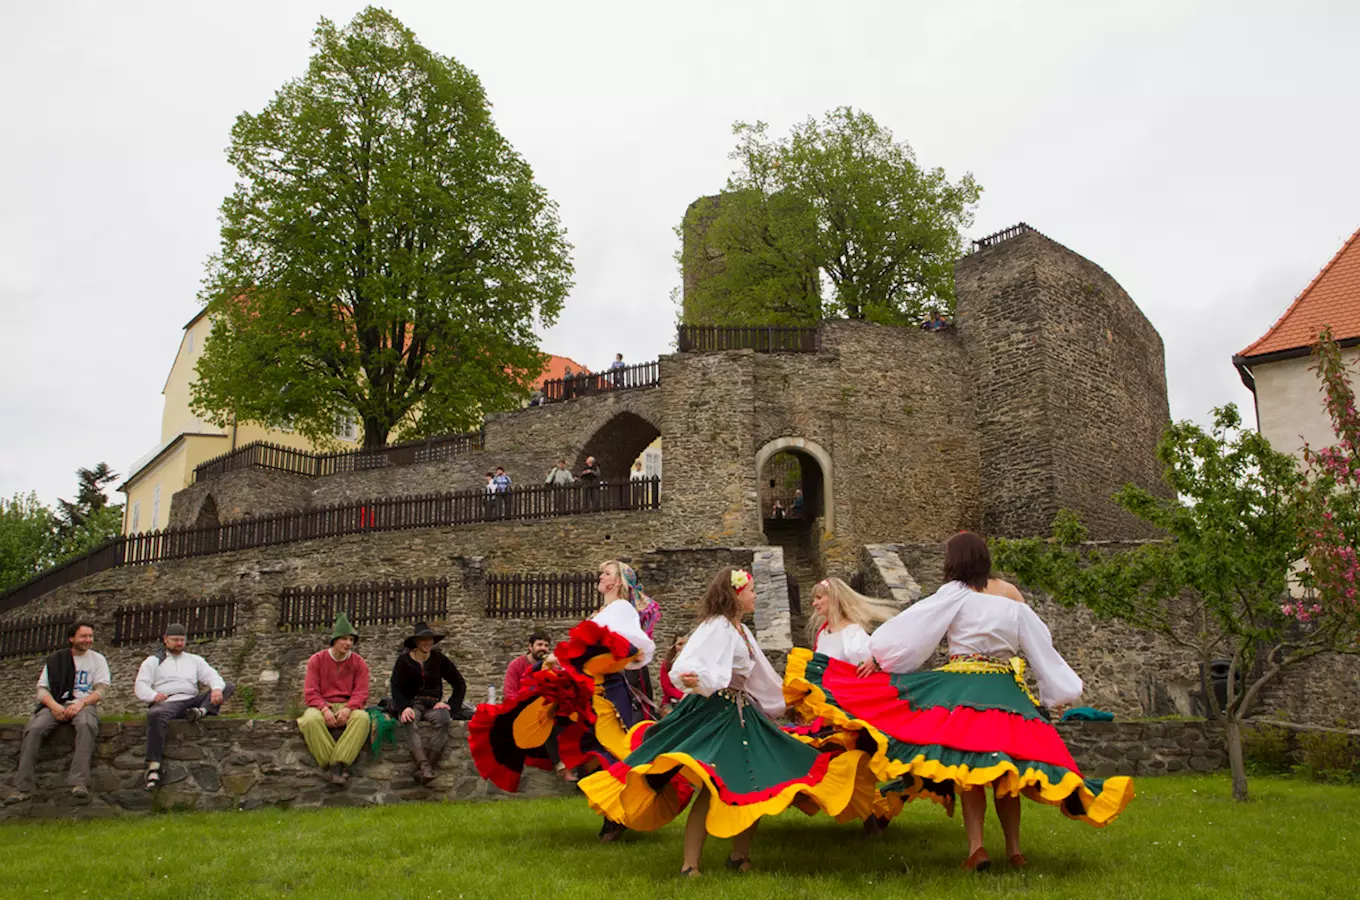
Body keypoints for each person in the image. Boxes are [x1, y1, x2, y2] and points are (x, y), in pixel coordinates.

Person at [787, 532, 1134, 871]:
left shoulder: (954, 595)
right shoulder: (1013, 606)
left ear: (955, 563)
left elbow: (915, 627)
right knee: (1006, 770)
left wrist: (880, 657)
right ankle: (1014, 851)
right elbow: (1042, 646)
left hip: (963, 690)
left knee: (971, 769)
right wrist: (1057, 693)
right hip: (1005, 691)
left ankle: (977, 848)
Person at [577, 567, 877, 876]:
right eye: (751, 591)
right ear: (736, 595)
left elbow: (761, 675)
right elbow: (685, 664)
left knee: (758, 782)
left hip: (741, 713)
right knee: (712, 785)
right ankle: (689, 865)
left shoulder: (742, 632)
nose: (755, 595)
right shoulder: (717, 625)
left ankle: (739, 857)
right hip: (713, 713)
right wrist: (691, 677)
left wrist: (787, 703)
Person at [469, 559, 660, 843]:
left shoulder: (621, 608)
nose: (601, 575)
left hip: (606, 691)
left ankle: (621, 813)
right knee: (585, 747)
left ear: (617, 582)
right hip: (588, 689)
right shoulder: (604, 610)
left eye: (607, 573)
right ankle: (614, 814)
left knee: (609, 746)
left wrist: (566, 657)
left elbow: (621, 646)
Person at [5, 622, 109, 805]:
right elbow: (41, 690)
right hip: (56, 704)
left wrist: (81, 704)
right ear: (72, 638)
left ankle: (78, 783)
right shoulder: (56, 659)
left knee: (86, 725)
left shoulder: (97, 659)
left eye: (90, 636)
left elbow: (100, 690)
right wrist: (54, 707)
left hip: (83, 704)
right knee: (34, 729)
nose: (88, 640)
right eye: (83, 636)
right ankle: (23, 787)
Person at [135, 623, 232, 790]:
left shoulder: (194, 660)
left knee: (227, 687)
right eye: (175, 640)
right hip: (168, 702)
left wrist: (216, 689)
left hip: (191, 699)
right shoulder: (153, 661)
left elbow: (212, 676)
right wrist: (153, 696)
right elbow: (141, 685)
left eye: (182, 640)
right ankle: (154, 766)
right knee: (155, 714)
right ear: (165, 640)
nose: (179, 644)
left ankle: (201, 711)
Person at [297, 613, 371, 785]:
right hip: (322, 704)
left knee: (362, 718)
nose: (348, 643)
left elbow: (361, 692)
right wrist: (324, 709)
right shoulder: (317, 660)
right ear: (335, 640)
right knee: (310, 720)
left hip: (347, 705)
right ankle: (335, 766)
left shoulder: (358, 662)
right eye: (344, 639)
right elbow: (310, 691)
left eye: (351, 639)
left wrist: (348, 708)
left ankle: (336, 765)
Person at [390, 622, 465, 784]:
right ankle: (424, 767)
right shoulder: (403, 661)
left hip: (433, 704)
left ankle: (427, 768)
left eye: (430, 639)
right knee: (409, 721)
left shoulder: (439, 659)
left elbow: (459, 683)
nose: (427, 642)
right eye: (423, 639)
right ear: (416, 642)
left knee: (444, 719)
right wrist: (403, 708)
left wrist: (451, 705)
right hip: (412, 703)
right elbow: (395, 688)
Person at [503, 631, 552, 702]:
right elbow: (509, 694)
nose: (543, 648)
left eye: (546, 645)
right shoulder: (516, 665)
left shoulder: (550, 665)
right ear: (530, 647)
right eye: (539, 644)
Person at [657, 634, 687, 713]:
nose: (683, 647)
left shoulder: (696, 662)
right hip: (671, 701)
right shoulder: (667, 663)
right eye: (680, 644)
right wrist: (681, 696)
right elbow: (666, 687)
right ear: (674, 645)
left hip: (690, 700)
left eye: (686, 644)